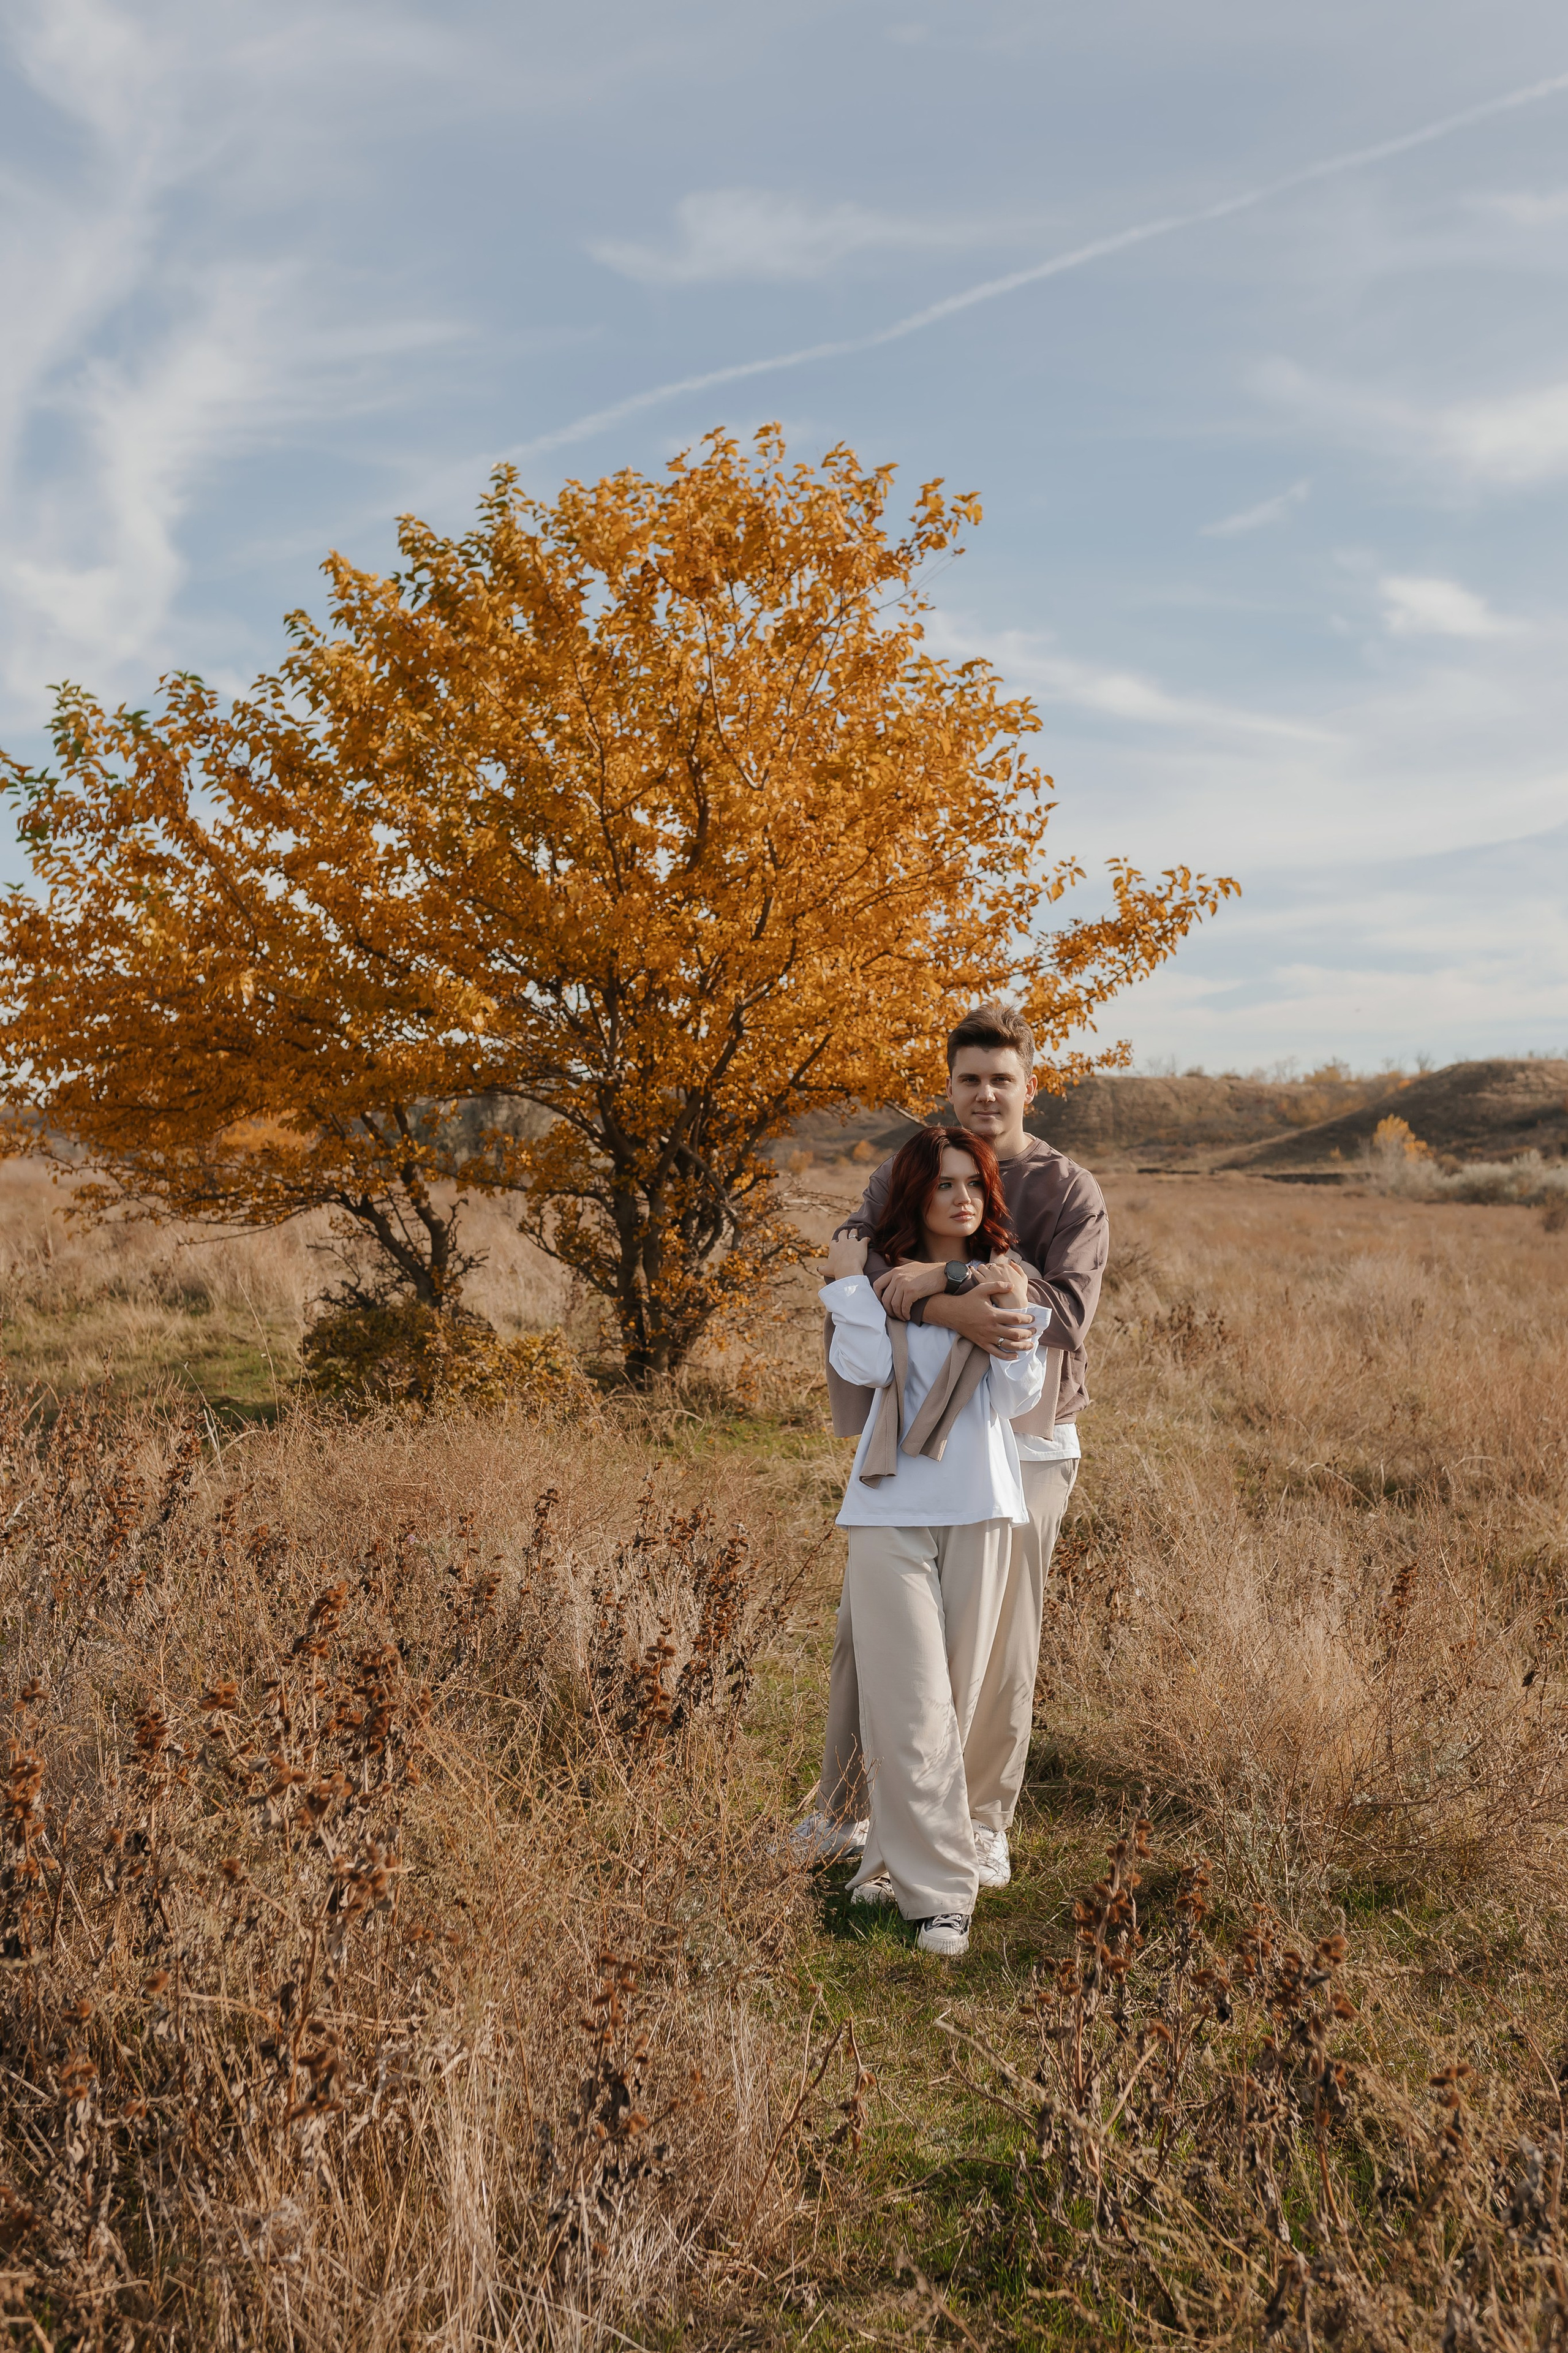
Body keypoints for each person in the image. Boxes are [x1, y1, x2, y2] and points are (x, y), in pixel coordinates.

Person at [798, 1001, 1109, 1888]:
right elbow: (856, 1256)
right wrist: (955, 1303)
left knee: (998, 1643)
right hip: (911, 1432)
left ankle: (978, 1821)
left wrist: (945, 1278)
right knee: (866, 1634)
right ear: (948, 1083)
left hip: (1025, 1439)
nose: (985, 1094)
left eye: (1002, 1079)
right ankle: (845, 1812)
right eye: (970, 1078)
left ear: (1030, 1087)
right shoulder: (914, 1166)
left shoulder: (1068, 1189)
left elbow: (1065, 1315)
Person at [820, 1125, 1051, 1957]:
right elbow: (864, 1369)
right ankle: (944, 1900)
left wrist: (982, 1295)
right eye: (944, 1183)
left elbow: (1021, 1390)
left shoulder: (1008, 1282)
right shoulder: (875, 1286)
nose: (962, 1197)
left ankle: (888, 1865)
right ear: (914, 1193)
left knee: (949, 1702)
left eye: (975, 1183)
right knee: (908, 1702)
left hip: (981, 1507)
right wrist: (852, 1287)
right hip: (888, 1508)